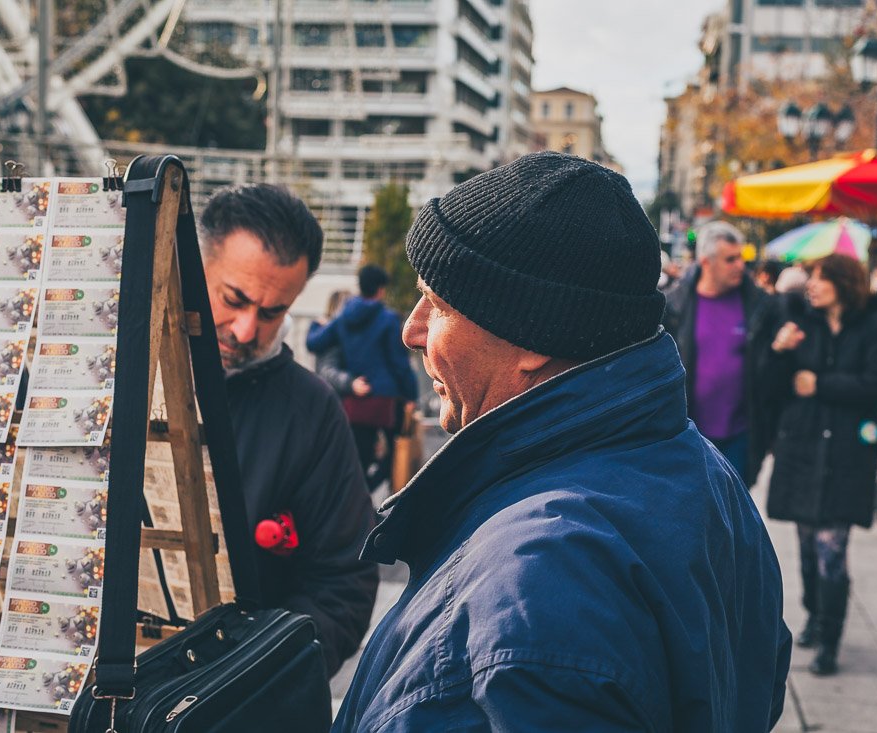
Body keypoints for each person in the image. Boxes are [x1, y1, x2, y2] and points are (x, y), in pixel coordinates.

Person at [334, 152, 791, 732]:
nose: (412, 329)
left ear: (534, 339)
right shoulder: (704, 471)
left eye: (440, 304)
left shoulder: (540, 582)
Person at [199, 184, 378, 676]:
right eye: (233, 299)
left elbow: (344, 584)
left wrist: (253, 677)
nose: (245, 329)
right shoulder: (113, 368)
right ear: (194, 267)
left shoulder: (312, 411)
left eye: (272, 312)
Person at [763, 254, 877, 676]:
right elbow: (771, 386)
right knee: (805, 545)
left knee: (832, 550)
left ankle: (830, 640)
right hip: (803, 448)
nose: (810, 287)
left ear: (843, 283)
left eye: (819, 279)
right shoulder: (802, 324)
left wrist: (819, 384)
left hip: (846, 455)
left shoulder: (874, 325)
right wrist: (779, 352)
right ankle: (815, 615)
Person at [664, 220, 770, 485]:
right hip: (689, 434)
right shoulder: (675, 305)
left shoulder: (757, 304)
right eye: (730, 259)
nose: (740, 266)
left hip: (740, 435)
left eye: (740, 258)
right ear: (706, 262)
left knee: (732, 519)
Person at [307, 265, 419, 491]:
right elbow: (399, 363)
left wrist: (317, 324)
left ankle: (360, 497)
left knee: (361, 458)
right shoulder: (387, 319)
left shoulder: (343, 318)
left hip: (358, 398)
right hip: (387, 398)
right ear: (380, 289)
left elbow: (314, 343)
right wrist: (411, 394)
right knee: (398, 453)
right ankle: (375, 495)